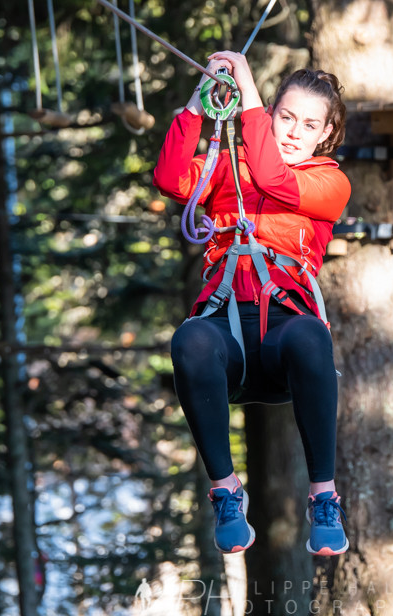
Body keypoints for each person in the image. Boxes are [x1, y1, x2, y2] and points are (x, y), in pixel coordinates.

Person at [152, 49, 352, 556]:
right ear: (272, 113)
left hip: (286, 332)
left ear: (326, 133)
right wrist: (196, 107)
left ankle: (323, 497)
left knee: (311, 335)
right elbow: (171, 179)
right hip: (227, 331)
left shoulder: (329, 182)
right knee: (190, 339)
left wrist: (249, 95)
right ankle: (225, 490)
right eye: (285, 117)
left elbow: (272, 178)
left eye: (309, 124)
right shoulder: (228, 165)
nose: (293, 132)